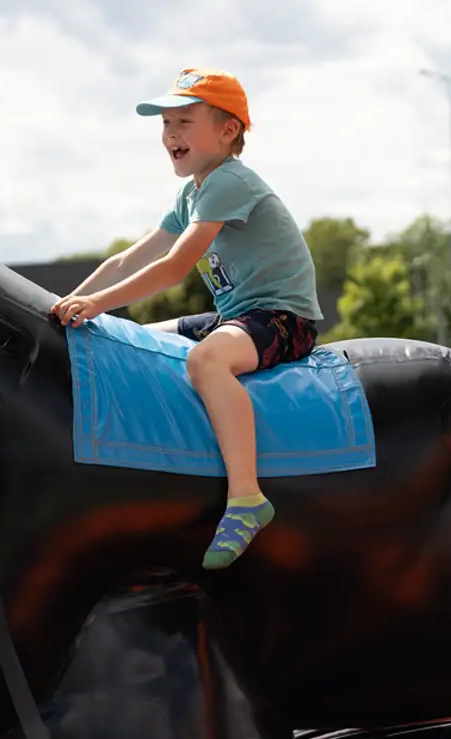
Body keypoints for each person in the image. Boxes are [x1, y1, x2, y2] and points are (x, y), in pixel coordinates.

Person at [50, 68, 323, 570]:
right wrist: (67, 300)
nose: (170, 133)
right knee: (127, 340)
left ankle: (246, 498)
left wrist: (99, 303)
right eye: (166, 123)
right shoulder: (192, 192)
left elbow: (174, 266)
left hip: (282, 318)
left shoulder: (229, 181)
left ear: (228, 131)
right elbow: (128, 258)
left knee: (207, 362)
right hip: (235, 314)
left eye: (184, 121)